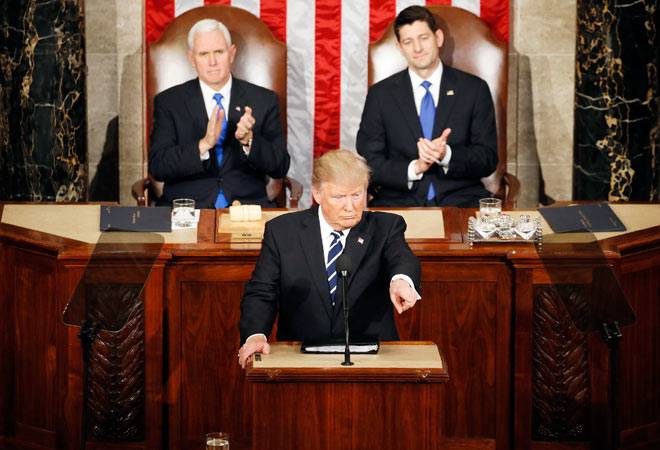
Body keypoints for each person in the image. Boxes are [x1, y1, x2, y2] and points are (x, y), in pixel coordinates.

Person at [238, 149, 421, 368]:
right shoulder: (282, 232)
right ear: (317, 194)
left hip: (372, 357)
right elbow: (261, 291)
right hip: (300, 356)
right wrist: (255, 335)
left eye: (357, 195)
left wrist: (401, 280)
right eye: (339, 197)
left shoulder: (385, 227)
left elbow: (401, 258)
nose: (350, 206)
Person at [356, 5, 498, 208]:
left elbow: (487, 158)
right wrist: (414, 168)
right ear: (399, 47)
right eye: (408, 41)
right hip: (398, 202)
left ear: (438, 38)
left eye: (423, 38)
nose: (417, 48)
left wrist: (446, 155)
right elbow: (371, 160)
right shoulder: (381, 95)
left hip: (461, 201)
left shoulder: (474, 89)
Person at [149, 19, 290, 208]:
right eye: (204, 54)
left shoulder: (263, 100)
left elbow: (280, 166)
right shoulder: (169, 102)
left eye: (219, 52)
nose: (212, 62)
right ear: (192, 59)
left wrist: (250, 141)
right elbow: (158, 166)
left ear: (231, 54)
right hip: (187, 208)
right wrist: (203, 145)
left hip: (247, 207)